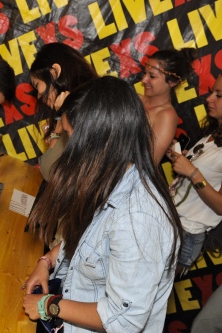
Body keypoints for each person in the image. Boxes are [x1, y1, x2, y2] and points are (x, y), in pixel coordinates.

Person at [22, 76, 182, 332]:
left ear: (97, 141)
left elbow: (124, 320)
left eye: (71, 139)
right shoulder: (111, 178)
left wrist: (48, 305)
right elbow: (93, 241)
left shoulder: (138, 217)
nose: (68, 149)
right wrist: (47, 261)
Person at [169, 73, 222, 275]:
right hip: (172, 220)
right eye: (211, 92)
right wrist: (181, 160)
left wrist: (193, 173)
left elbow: (220, 206)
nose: (209, 99)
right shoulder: (212, 133)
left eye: (219, 95)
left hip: (187, 235)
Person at [29, 42, 98, 181]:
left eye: (37, 86)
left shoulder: (82, 108)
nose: (38, 95)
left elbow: (50, 171)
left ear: (54, 72)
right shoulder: (88, 99)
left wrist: (57, 130)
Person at [139, 48, 196, 165]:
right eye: (145, 73)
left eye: (152, 76)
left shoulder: (167, 116)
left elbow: (147, 163)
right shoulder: (136, 99)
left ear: (173, 82)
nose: (144, 80)